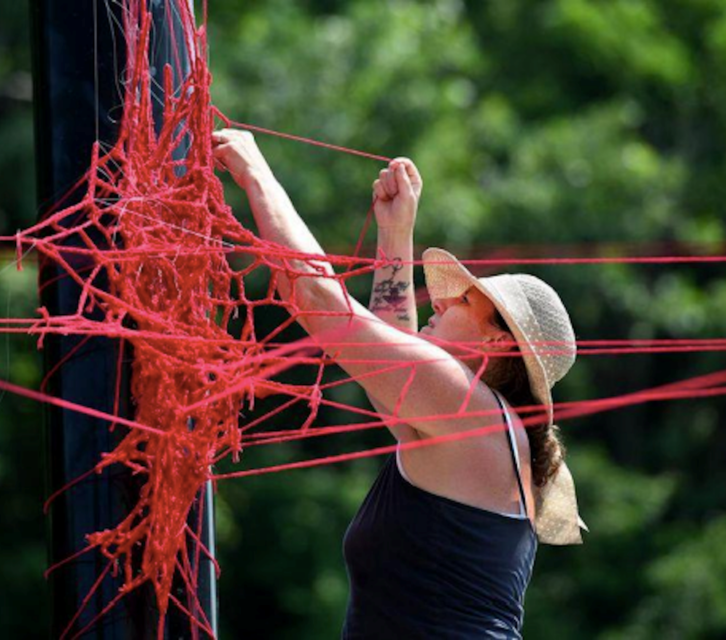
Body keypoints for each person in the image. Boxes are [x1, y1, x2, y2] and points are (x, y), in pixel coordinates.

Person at [212, 128, 586, 639]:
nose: (441, 301)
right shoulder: (475, 420)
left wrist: (256, 172)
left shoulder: (470, 410)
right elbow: (385, 361)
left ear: (498, 344)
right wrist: (396, 233)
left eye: (463, 302)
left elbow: (320, 304)